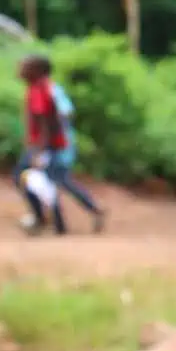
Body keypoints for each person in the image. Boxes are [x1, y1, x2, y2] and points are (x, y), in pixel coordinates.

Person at [42, 64, 106, 233]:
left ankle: (60, 222)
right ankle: (57, 221)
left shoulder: (53, 91)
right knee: (54, 181)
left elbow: (66, 112)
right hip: (53, 145)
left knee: (59, 180)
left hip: (60, 145)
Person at [13, 54, 70, 236]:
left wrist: (39, 149)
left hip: (43, 145)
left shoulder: (38, 90)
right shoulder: (40, 87)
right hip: (45, 144)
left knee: (22, 177)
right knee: (44, 181)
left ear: (36, 71)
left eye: (24, 66)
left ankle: (40, 218)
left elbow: (44, 120)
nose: (19, 68)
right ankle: (56, 223)